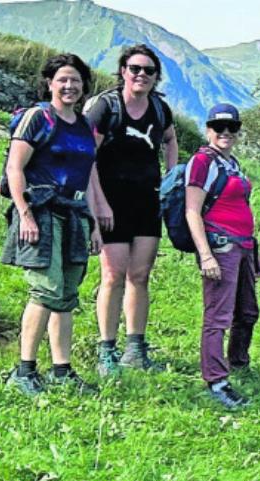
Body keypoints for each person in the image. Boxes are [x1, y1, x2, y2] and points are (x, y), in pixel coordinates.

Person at [0, 54, 105, 396]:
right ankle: (23, 371)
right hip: (42, 210)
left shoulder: (84, 125)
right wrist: (25, 213)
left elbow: (88, 176)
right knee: (45, 289)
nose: (70, 86)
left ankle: (62, 370)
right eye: (63, 79)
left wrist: (94, 224)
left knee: (66, 294)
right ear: (50, 83)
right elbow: (15, 168)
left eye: (76, 80)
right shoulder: (37, 118)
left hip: (75, 212)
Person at [85, 45, 177, 375]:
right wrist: (99, 205)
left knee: (140, 275)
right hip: (111, 203)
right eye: (135, 68)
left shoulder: (159, 108)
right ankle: (106, 350)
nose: (141, 75)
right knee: (113, 275)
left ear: (156, 77)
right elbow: (88, 158)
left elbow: (170, 138)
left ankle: (135, 348)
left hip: (148, 202)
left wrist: (172, 178)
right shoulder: (104, 107)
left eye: (148, 70)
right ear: (123, 70)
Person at [184, 104, 260, 408]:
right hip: (220, 246)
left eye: (232, 128)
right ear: (208, 130)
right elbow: (192, 210)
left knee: (248, 312)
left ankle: (238, 363)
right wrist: (206, 255)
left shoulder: (233, 164)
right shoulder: (202, 162)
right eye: (219, 128)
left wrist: (255, 249)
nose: (226, 133)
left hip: (243, 246)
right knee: (218, 316)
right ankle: (216, 380)